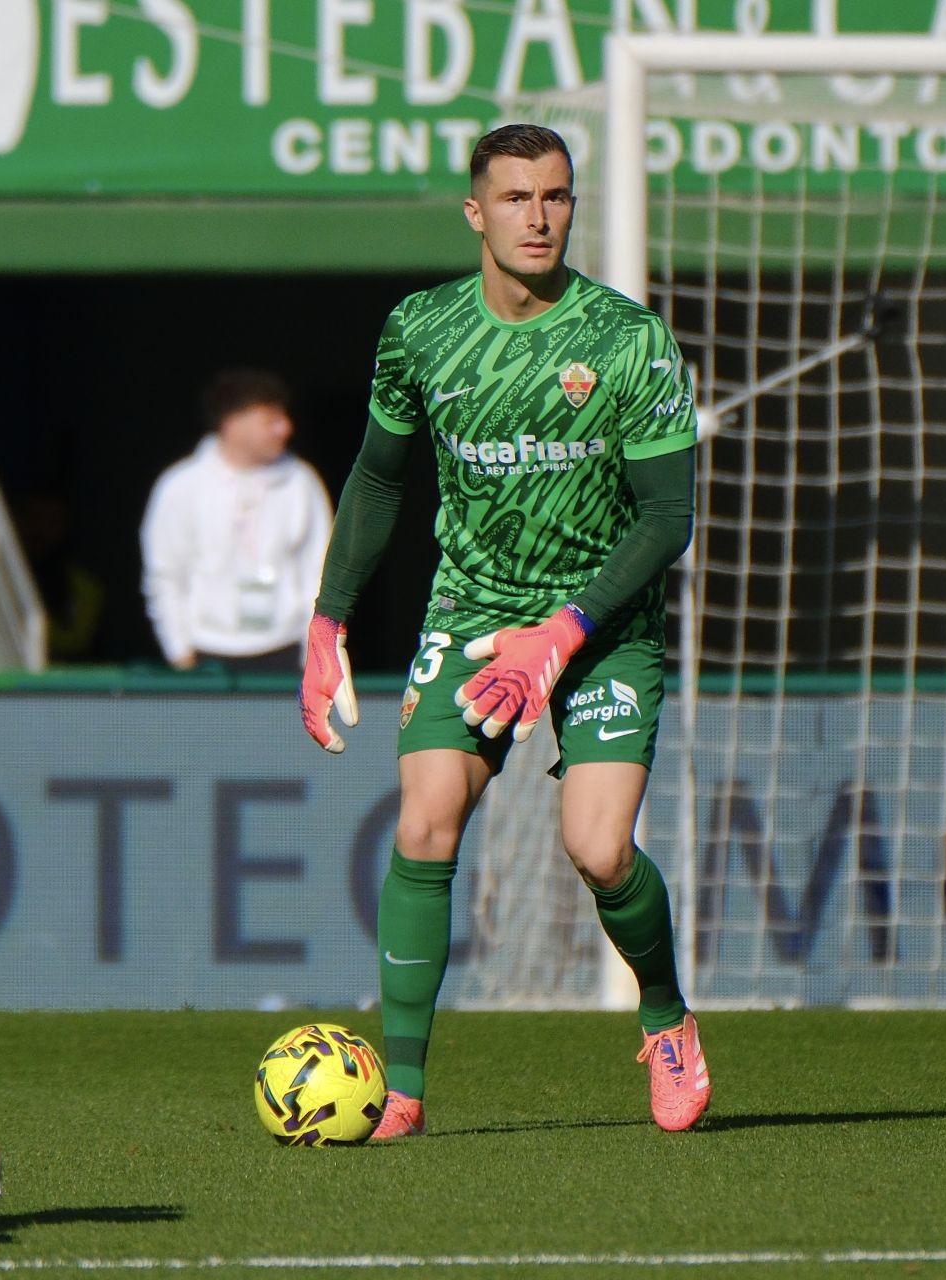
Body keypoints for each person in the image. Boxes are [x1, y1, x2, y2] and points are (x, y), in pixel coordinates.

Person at [299, 124, 708, 1141]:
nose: (539, 216)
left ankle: (666, 1016)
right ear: (476, 212)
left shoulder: (628, 339)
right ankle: (399, 1087)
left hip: (601, 620)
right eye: (517, 197)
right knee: (425, 816)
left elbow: (668, 517)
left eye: (557, 197)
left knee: (599, 846)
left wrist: (564, 630)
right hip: (476, 609)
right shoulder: (421, 330)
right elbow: (381, 476)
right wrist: (328, 615)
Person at [140, 368, 331, 673]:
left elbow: (320, 571)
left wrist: (315, 654)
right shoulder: (180, 485)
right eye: (270, 420)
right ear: (232, 423)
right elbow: (165, 575)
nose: (285, 429)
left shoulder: (301, 482)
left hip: (286, 652)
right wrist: (180, 653)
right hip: (205, 654)